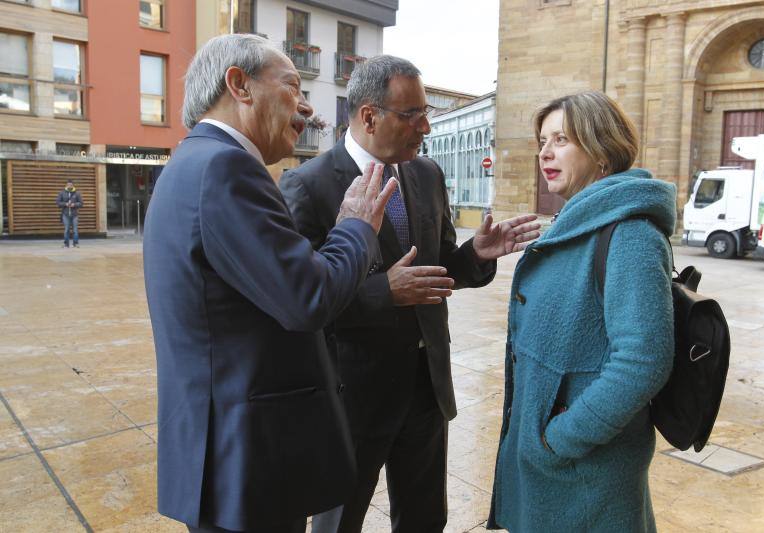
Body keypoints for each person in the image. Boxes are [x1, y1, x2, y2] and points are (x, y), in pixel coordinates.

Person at [143, 34, 398, 533]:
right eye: (292, 86)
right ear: (238, 85)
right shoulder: (225, 167)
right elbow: (308, 297)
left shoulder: (192, 162)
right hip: (246, 455)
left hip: (222, 447)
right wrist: (356, 226)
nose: (306, 106)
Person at [280, 55, 540, 533]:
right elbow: (300, 302)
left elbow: (439, 269)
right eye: (412, 114)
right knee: (341, 522)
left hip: (425, 387)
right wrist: (383, 292)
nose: (425, 126)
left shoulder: (425, 174)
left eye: (427, 113)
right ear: (369, 116)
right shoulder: (306, 185)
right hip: (352, 396)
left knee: (424, 519)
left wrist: (477, 254)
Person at [487, 91, 676, 532]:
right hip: (551, 470)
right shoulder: (578, 222)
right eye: (542, 141)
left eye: (562, 140)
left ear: (601, 151)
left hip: (586, 476)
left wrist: (560, 440)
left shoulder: (629, 234)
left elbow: (643, 360)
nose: (545, 153)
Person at [56, 179, 82, 247]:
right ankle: (66, 244)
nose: (69, 186)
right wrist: (66, 204)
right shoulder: (62, 193)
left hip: (74, 214)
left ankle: (75, 243)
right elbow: (58, 203)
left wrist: (74, 204)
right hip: (65, 214)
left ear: (73, 185)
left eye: (71, 185)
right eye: (68, 185)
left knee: (75, 230)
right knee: (66, 229)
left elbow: (81, 203)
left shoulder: (77, 193)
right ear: (66, 185)